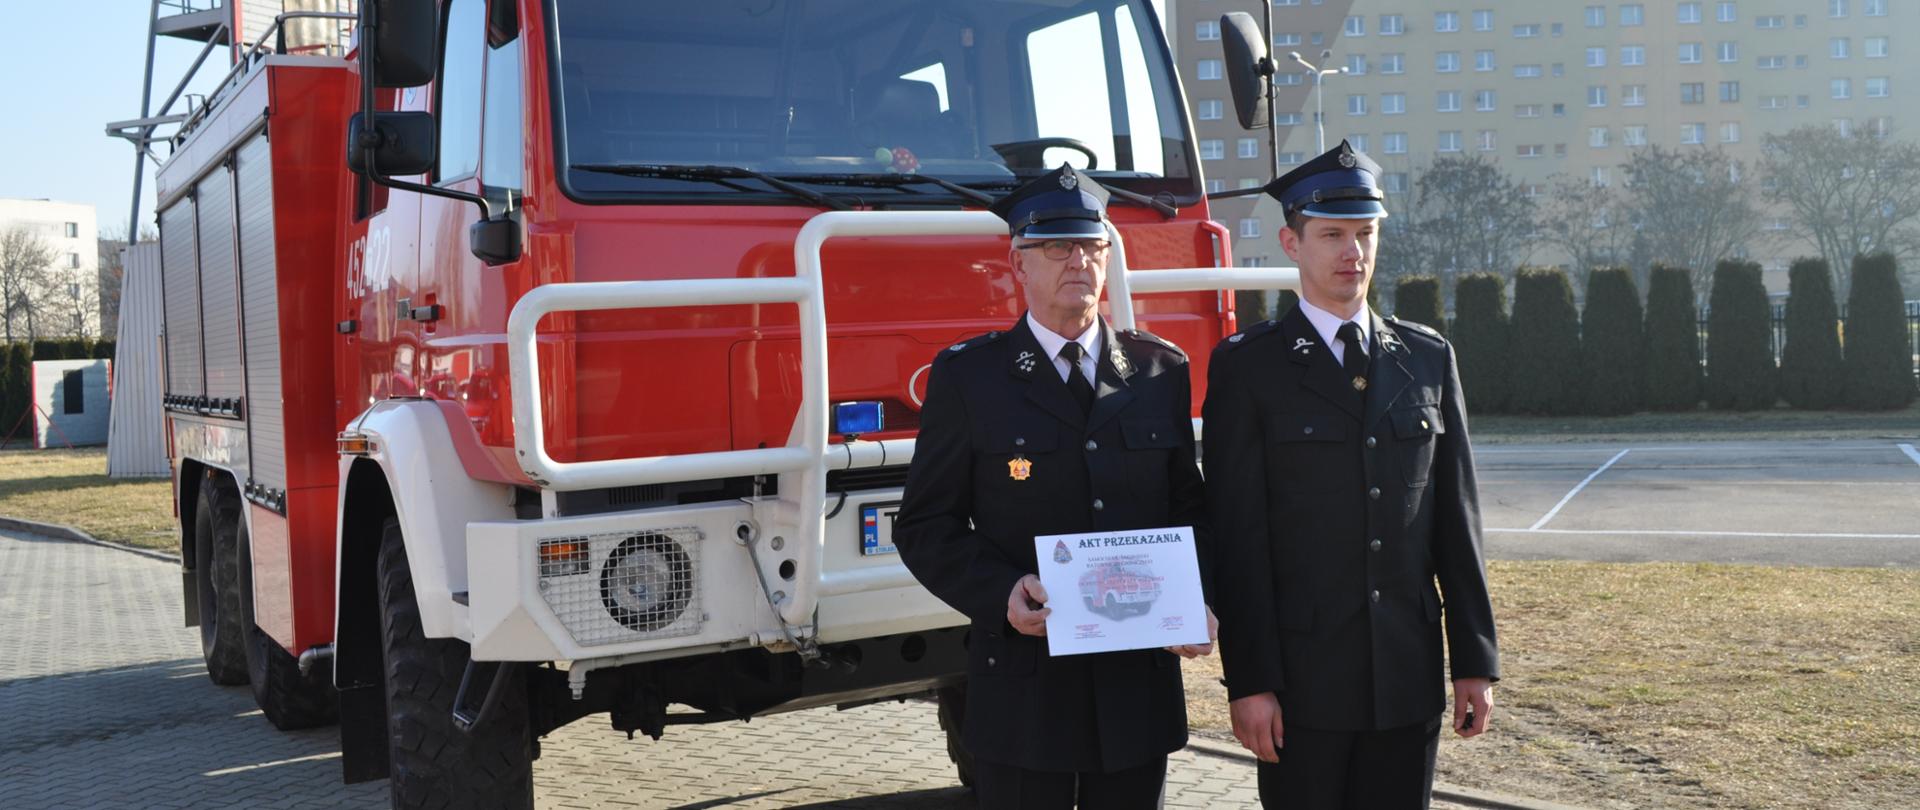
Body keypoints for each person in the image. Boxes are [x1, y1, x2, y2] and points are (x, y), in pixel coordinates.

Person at [893, 164, 1214, 810]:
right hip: (1024, 694)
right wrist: (1000, 592)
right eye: (1057, 247)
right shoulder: (970, 379)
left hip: (1134, 692)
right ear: (1018, 264)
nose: (1078, 261)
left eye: (1091, 245)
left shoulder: (1159, 370)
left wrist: (1198, 597)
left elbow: (1190, 508)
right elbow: (926, 526)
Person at [1202, 141, 1500, 809]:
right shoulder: (1249, 367)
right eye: (1332, 235)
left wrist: (1474, 661)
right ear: (1292, 243)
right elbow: (1238, 538)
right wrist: (1250, 682)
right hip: (1301, 686)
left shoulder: (1426, 356)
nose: (1353, 252)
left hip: (1406, 677)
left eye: (1365, 234)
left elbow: (1457, 522)